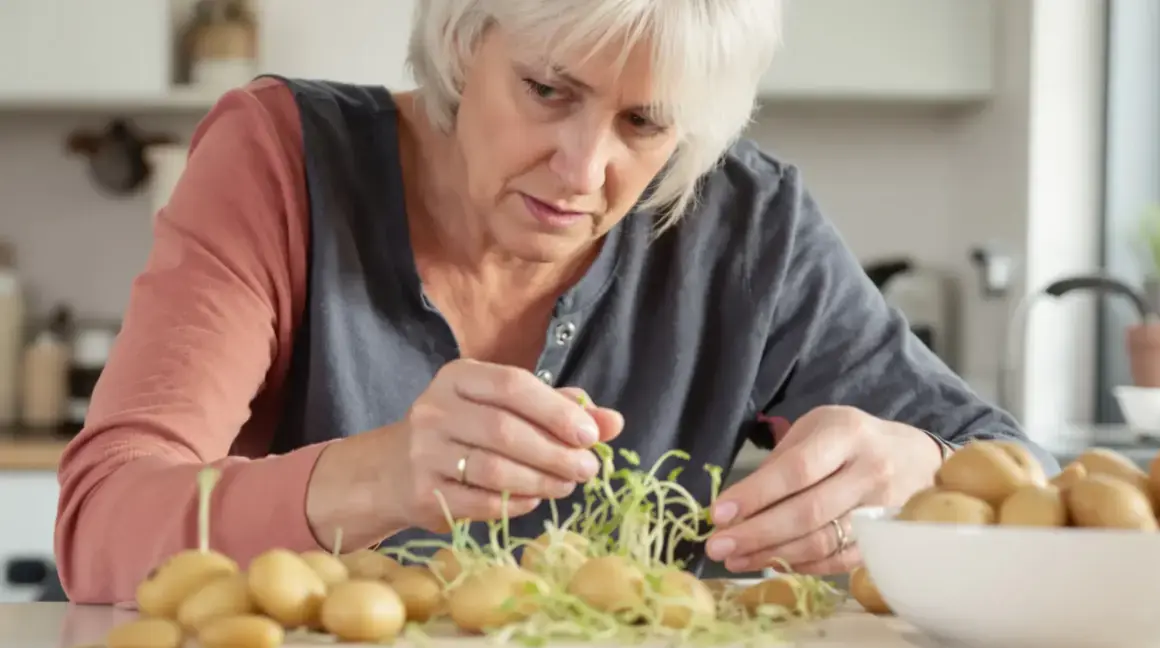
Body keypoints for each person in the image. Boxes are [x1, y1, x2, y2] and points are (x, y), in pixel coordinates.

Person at [54, 0, 1056, 605]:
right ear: (464, 40)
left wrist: (915, 468)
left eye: (645, 122)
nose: (585, 169)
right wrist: (375, 478)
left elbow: (1033, 486)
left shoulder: (748, 227)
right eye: (546, 89)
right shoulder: (279, 160)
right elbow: (102, 525)